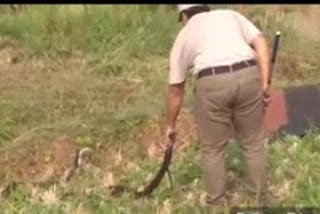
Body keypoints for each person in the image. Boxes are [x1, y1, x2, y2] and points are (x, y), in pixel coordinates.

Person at [165, 4, 271, 208]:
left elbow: (176, 89)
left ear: (185, 15)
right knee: (253, 143)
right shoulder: (230, 15)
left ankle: (217, 204)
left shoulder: (185, 34)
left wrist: (171, 124)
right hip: (248, 75)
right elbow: (260, 42)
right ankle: (260, 199)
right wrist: (265, 83)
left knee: (213, 149)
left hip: (212, 83)